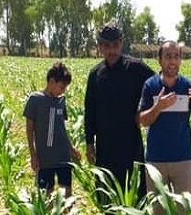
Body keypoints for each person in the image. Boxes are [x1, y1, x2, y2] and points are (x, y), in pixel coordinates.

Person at [138, 40, 191, 215]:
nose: (172, 61)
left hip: (182, 159)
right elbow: (142, 121)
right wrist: (158, 107)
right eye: (168, 56)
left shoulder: (187, 86)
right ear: (159, 60)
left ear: (181, 60)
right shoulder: (150, 86)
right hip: (156, 161)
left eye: (176, 56)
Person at [84, 21, 154, 200]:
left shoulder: (137, 68)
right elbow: (89, 110)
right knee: (107, 192)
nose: (112, 50)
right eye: (107, 46)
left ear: (121, 44)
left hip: (131, 142)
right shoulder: (95, 74)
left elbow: (157, 86)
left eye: (115, 45)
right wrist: (89, 142)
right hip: (105, 145)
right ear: (100, 47)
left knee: (136, 192)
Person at [24, 62, 81, 197]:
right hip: (45, 159)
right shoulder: (35, 99)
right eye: (61, 87)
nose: (63, 91)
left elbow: (62, 128)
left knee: (67, 194)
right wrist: (33, 155)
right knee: (46, 196)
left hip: (63, 157)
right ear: (51, 81)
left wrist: (71, 148)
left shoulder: (61, 101)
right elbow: (29, 130)